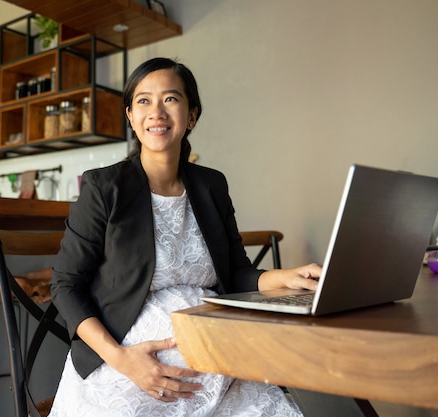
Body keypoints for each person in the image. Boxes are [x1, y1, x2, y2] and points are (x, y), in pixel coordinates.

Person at [48, 57, 321, 416]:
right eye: (143, 101)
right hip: (130, 372)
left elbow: (236, 273)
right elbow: (66, 285)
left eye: (171, 99)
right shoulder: (105, 187)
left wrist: (285, 277)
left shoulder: (211, 185)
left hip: (222, 369)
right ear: (130, 115)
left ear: (191, 114)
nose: (156, 112)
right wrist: (123, 360)